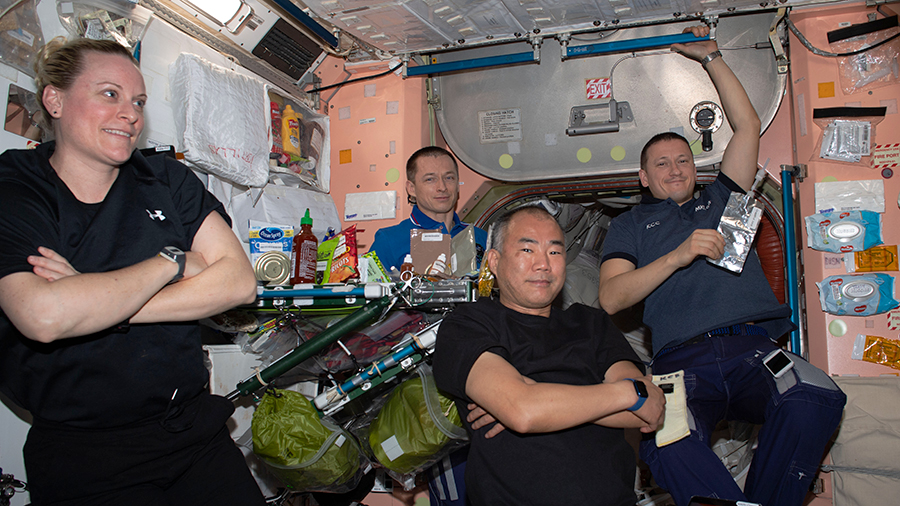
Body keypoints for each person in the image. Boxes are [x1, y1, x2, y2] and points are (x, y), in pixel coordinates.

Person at [0, 38, 266, 505]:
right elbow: (43, 317)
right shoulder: (18, 186)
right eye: (110, 94)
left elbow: (238, 282)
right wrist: (173, 262)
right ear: (54, 99)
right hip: (84, 453)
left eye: (138, 101)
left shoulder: (164, 178)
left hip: (191, 434)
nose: (131, 113)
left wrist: (98, 301)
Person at [598, 25, 846, 506]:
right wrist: (678, 254)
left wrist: (712, 57)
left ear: (696, 168)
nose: (675, 169)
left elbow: (748, 125)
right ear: (644, 178)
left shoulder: (723, 198)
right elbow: (611, 297)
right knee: (665, 442)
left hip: (752, 350)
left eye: (683, 160)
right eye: (662, 164)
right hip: (679, 363)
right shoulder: (629, 225)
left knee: (816, 396)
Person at [433, 205, 666, 506]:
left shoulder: (591, 323)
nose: (543, 264)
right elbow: (523, 411)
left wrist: (540, 399)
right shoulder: (468, 324)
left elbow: (643, 409)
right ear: (494, 260)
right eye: (527, 249)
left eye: (555, 252)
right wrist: (623, 392)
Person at [368, 146, 487, 272]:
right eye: (430, 179)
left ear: (458, 185)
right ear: (411, 188)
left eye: (449, 178)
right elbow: (368, 289)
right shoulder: (389, 241)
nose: (442, 187)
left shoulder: (480, 237)